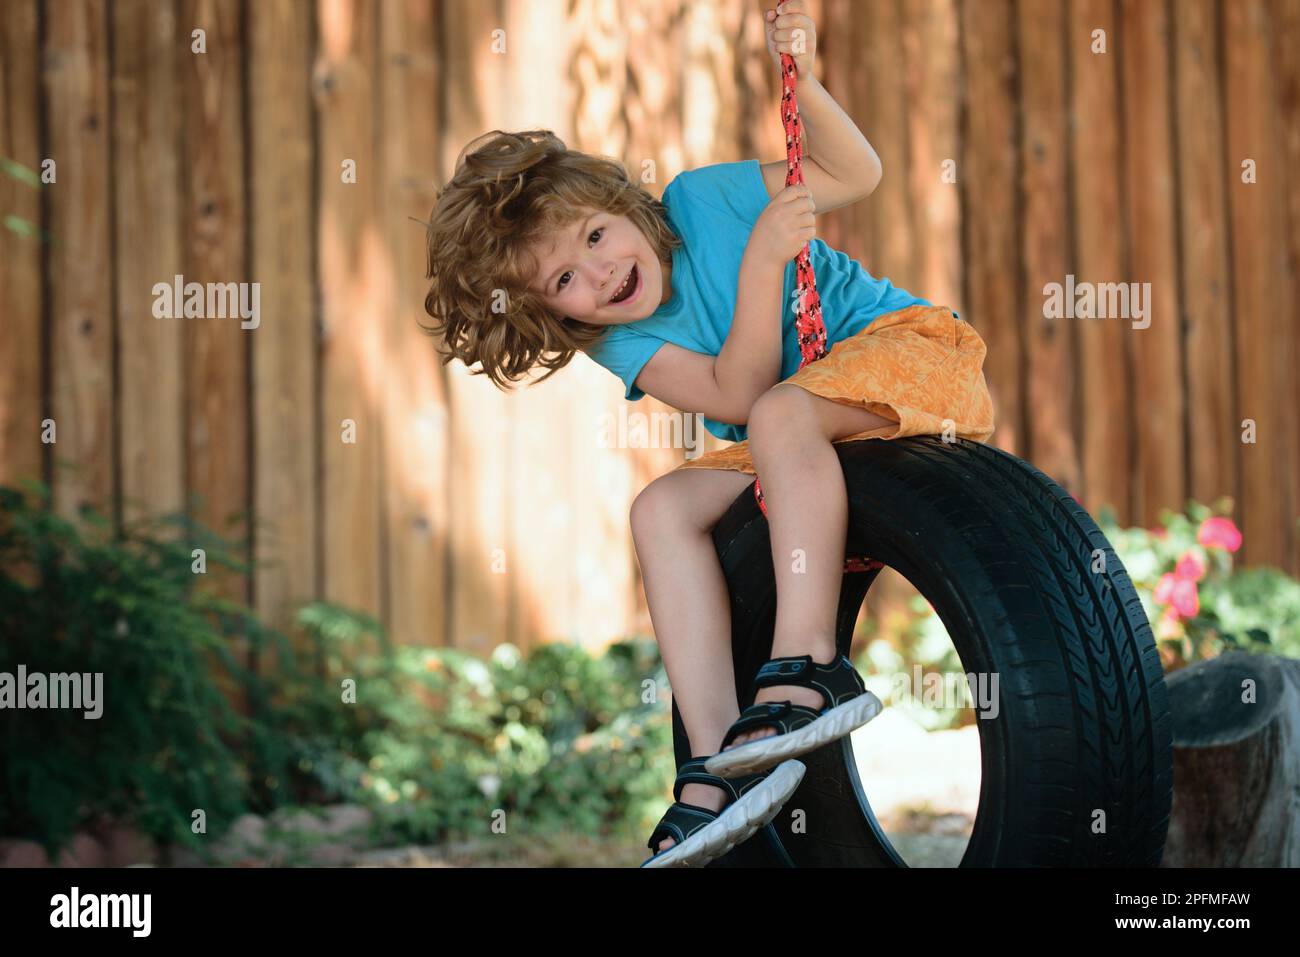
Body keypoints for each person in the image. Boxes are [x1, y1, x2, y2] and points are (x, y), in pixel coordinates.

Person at [420, 1, 994, 868]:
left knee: (779, 415)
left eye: (596, 236)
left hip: (904, 360)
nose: (602, 272)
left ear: (623, 204)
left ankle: (809, 664)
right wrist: (767, 262)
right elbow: (740, 387)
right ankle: (721, 764)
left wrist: (803, 76)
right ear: (551, 313)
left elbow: (853, 171)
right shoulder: (621, 340)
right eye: (566, 278)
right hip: (791, 419)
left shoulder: (706, 199)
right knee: (660, 507)